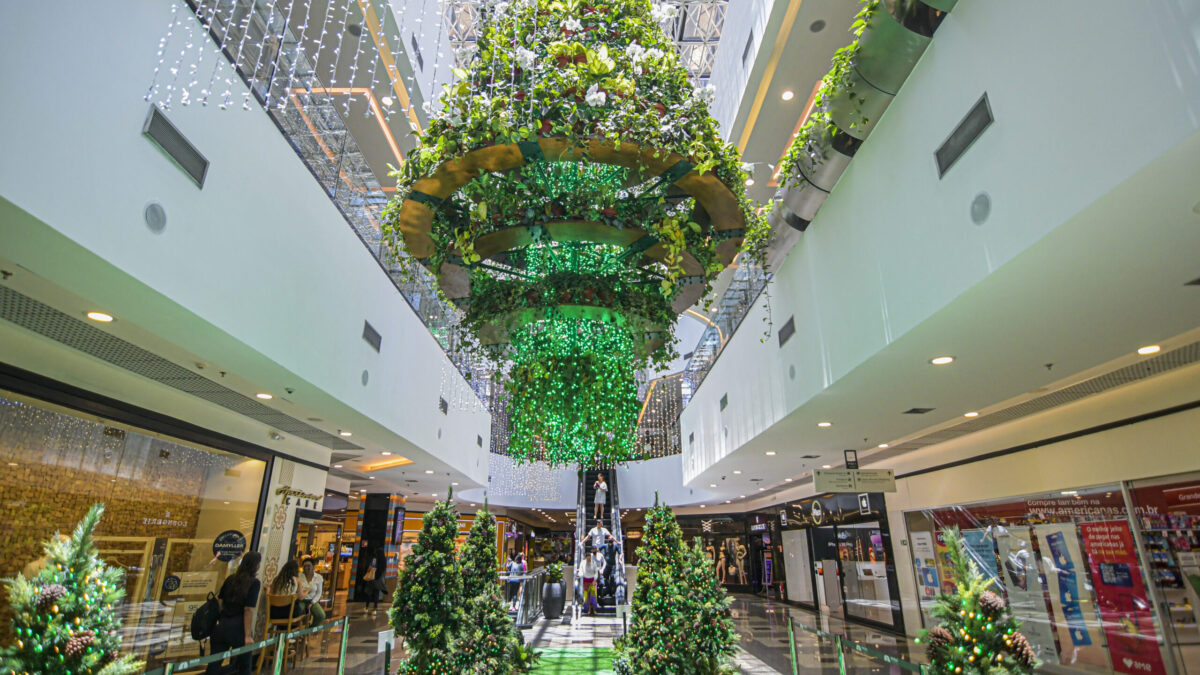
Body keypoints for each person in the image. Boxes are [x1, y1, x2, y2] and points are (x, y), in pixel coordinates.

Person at [206, 551, 261, 675]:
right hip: (239, 627)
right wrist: (247, 635)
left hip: (221, 625)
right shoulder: (254, 583)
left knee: (214, 665)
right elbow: (248, 609)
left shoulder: (231, 579)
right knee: (244, 666)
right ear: (255, 565)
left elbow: (220, 601)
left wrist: (224, 615)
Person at [579, 543, 605, 617]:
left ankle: (594, 609)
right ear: (585, 557)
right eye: (587, 557)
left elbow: (596, 572)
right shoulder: (583, 563)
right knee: (587, 596)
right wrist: (580, 574)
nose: (588, 559)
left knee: (593, 596)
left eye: (589, 557)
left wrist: (595, 580)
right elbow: (581, 570)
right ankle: (589, 609)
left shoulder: (593, 563)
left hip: (592, 581)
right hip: (586, 580)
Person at [299, 557, 326, 625]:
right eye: (304, 566)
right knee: (298, 613)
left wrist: (312, 602)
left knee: (321, 615)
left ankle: (311, 630)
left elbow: (319, 592)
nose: (306, 568)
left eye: (309, 566)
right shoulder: (299, 576)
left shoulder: (318, 577)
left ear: (313, 567)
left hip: (312, 600)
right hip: (301, 600)